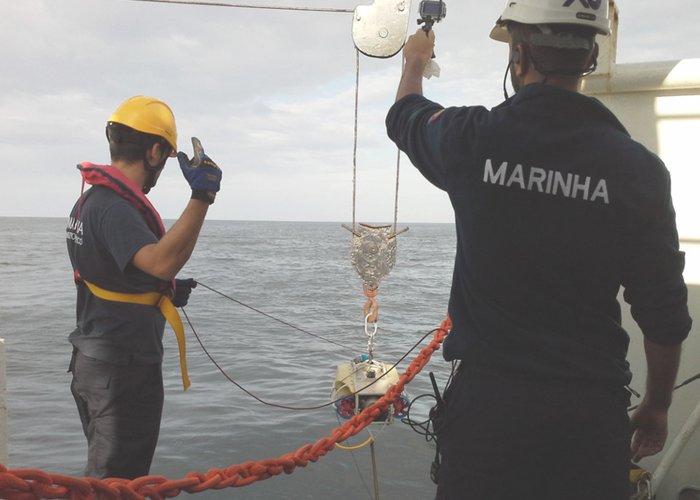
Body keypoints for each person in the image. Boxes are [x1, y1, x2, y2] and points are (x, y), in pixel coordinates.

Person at [386, 1, 692, 499]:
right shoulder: (639, 171)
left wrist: (415, 61)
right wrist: (657, 406)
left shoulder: (471, 139)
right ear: (591, 55)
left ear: (520, 54)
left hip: (489, 416)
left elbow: (404, 115)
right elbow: (664, 314)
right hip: (588, 419)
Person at [65, 95, 222, 479]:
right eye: (164, 158)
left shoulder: (91, 201)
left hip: (96, 361)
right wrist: (202, 196)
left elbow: (110, 271)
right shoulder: (115, 207)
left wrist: (161, 289)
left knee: (108, 475)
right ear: (154, 151)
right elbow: (161, 261)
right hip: (120, 372)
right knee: (117, 484)